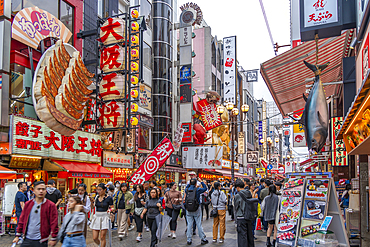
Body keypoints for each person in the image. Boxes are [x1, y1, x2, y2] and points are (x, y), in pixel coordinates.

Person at [13, 180, 59, 247]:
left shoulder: (50, 205)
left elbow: (54, 222)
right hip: (27, 239)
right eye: (38, 189)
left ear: (46, 191)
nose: (41, 191)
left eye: (43, 189)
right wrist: (18, 235)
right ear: (34, 191)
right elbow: (22, 220)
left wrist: (53, 237)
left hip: (41, 240)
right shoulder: (28, 204)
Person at [234, 179, 259, 247]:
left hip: (241, 217)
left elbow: (236, 207)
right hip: (248, 216)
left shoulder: (238, 195)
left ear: (238, 187)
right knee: (249, 235)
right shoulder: (248, 193)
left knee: (242, 236)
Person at [184, 178, 209, 245]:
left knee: (189, 224)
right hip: (196, 208)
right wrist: (201, 182)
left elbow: (187, 187)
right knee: (198, 224)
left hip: (188, 209)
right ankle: (203, 238)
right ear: (196, 183)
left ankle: (189, 239)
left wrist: (189, 184)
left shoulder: (187, 190)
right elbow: (205, 188)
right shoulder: (198, 190)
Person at [90, 183, 113, 247]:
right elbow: (92, 207)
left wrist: (110, 210)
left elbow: (112, 207)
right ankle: (100, 245)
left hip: (105, 216)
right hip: (97, 216)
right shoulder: (96, 197)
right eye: (97, 190)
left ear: (104, 190)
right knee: (95, 238)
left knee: (102, 236)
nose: (98, 191)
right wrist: (91, 202)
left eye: (100, 190)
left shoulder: (108, 198)